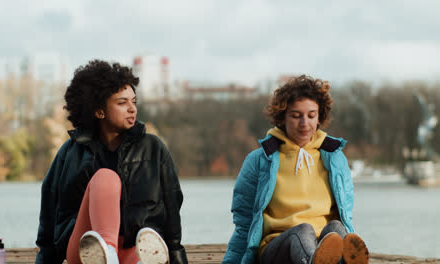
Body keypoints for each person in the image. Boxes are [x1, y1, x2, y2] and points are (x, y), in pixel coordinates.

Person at [36, 60, 188, 264]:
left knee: (148, 243)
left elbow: (172, 209)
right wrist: (45, 259)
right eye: (122, 103)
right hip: (84, 250)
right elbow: (49, 211)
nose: (132, 109)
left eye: (134, 101)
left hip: (134, 248)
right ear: (99, 111)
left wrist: (177, 255)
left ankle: (129, 260)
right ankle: (107, 253)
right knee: (106, 179)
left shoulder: (154, 148)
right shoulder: (71, 153)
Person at [223, 75, 369, 264]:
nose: (304, 124)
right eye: (295, 115)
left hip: (325, 244)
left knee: (337, 227)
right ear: (283, 117)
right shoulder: (259, 160)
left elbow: (345, 212)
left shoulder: (335, 159)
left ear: (319, 117)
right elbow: (243, 222)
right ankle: (314, 261)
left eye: (311, 115)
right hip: (276, 247)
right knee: (302, 230)